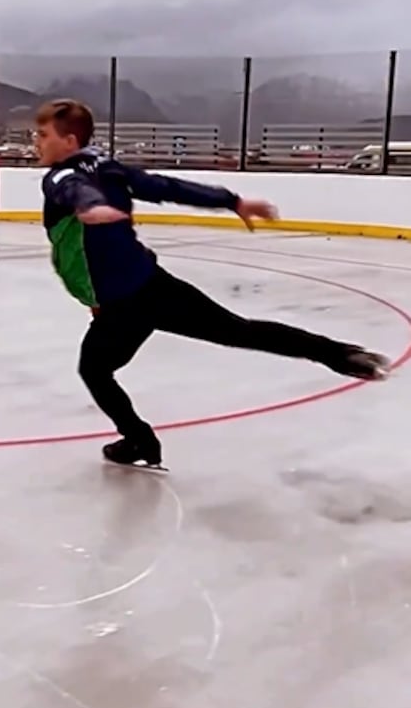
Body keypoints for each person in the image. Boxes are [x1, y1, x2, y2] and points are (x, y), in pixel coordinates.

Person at [35, 98, 390, 471]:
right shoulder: (111, 168)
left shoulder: (59, 176)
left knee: (93, 370)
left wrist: (89, 206)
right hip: (155, 289)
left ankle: (139, 440)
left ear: (70, 141)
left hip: (123, 307)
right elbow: (166, 186)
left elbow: (71, 187)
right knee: (242, 331)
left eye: (43, 134)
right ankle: (341, 355)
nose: (36, 142)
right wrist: (232, 201)